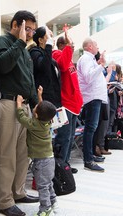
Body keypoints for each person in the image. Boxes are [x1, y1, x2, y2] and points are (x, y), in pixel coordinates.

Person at [0, 10, 39, 216]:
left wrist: (35, 103)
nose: (30, 34)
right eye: (27, 29)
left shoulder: (25, 50)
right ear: (16, 25)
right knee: (6, 155)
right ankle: (4, 201)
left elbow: (29, 79)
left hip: (24, 104)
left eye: (33, 30)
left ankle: (18, 191)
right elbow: (2, 66)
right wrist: (19, 42)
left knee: (22, 153)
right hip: (7, 103)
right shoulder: (1, 41)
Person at [16, 86, 57, 216]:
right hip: (50, 159)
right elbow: (42, 107)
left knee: (42, 186)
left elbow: (22, 118)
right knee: (48, 183)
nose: (35, 107)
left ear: (36, 114)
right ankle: (52, 201)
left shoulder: (34, 125)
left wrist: (18, 104)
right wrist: (40, 96)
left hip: (41, 162)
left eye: (35, 108)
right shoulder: (48, 120)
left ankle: (45, 208)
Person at [52, 29, 83, 173]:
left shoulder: (69, 59)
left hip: (73, 104)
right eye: (70, 44)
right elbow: (62, 66)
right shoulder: (57, 54)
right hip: (65, 104)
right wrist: (68, 48)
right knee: (63, 138)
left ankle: (65, 164)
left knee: (70, 138)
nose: (72, 47)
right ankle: (59, 167)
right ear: (62, 45)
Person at [76, 38, 108, 172]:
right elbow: (89, 78)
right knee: (90, 129)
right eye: (95, 44)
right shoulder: (85, 59)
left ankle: (91, 156)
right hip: (91, 98)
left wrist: (99, 64)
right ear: (89, 47)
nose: (97, 46)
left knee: (92, 129)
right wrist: (101, 65)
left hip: (95, 97)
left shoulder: (90, 60)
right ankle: (88, 160)